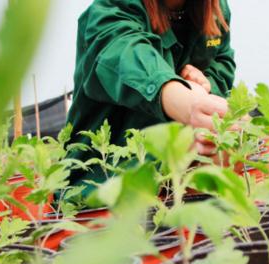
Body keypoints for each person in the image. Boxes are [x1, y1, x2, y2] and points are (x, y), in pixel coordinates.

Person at [65, 0, 235, 195]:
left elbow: (222, 59)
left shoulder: (214, 8)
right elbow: (125, 54)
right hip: (105, 178)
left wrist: (207, 83)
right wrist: (188, 103)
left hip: (178, 165)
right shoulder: (113, 8)